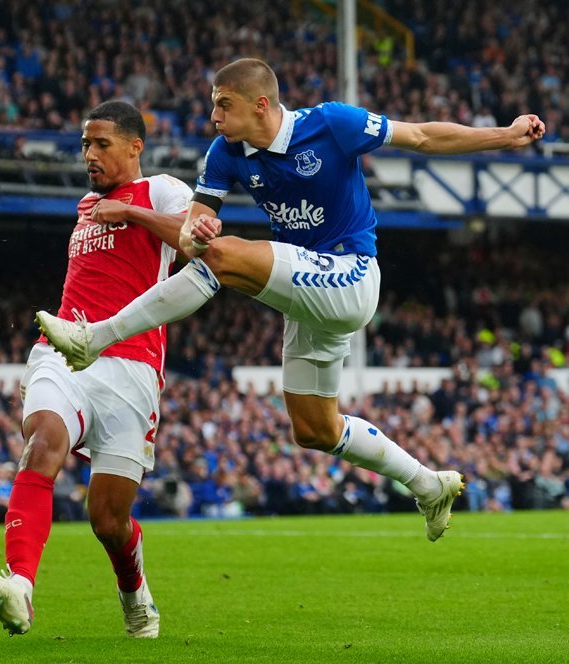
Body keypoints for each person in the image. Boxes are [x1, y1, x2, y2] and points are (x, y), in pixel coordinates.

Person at [37, 58, 546, 543]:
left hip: (351, 276)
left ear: (260, 104)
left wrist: (506, 134)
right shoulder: (225, 155)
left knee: (224, 256)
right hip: (307, 292)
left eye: (224, 103)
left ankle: (95, 337)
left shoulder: (331, 124)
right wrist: (199, 230)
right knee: (313, 429)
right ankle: (428, 485)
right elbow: (191, 235)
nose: (214, 116)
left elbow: (421, 135)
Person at [0, 101, 199, 638]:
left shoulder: (162, 190)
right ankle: (19, 587)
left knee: (108, 521)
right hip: (65, 350)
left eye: (101, 144)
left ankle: (135, 595)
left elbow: (196, 240)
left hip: (133, 367)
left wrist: (134, 214)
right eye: (84, 145)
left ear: (134, 146)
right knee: (42, 442)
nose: (89, 155)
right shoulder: (86, 204)